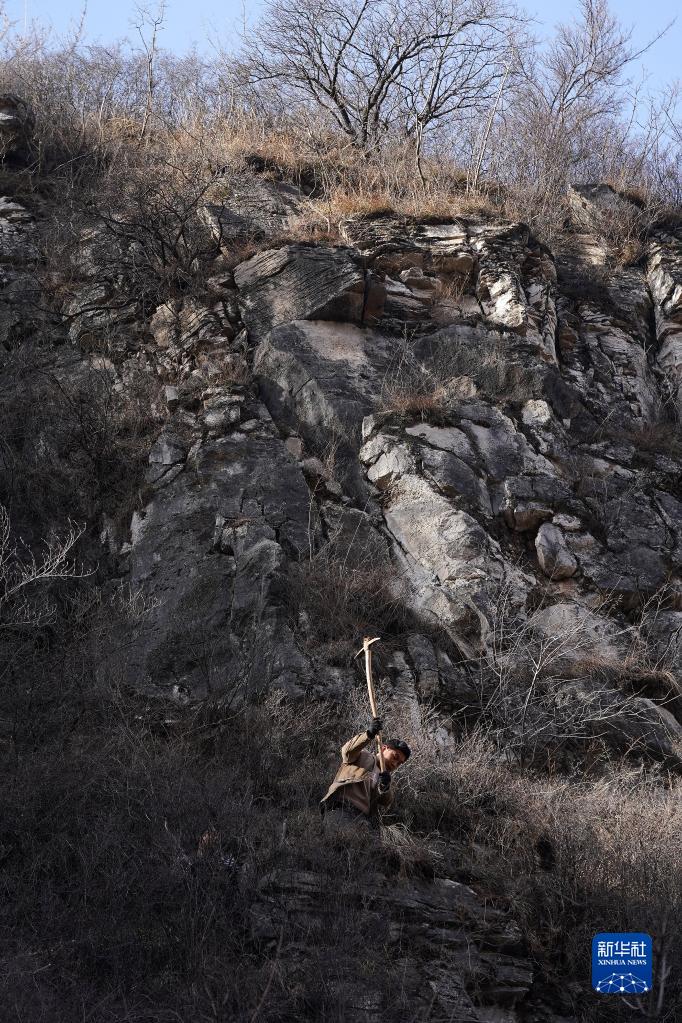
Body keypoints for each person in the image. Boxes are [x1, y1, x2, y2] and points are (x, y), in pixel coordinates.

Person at [320, 718, 411, 828]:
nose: (395, 764)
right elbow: (347, 751)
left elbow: (386, 801)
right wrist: (368, 734)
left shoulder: (385, 778)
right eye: (395, 757)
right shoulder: (363, 755)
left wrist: (385, 787)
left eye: (399, 763)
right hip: (340, 808)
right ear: (383, 748)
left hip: (362, 819)